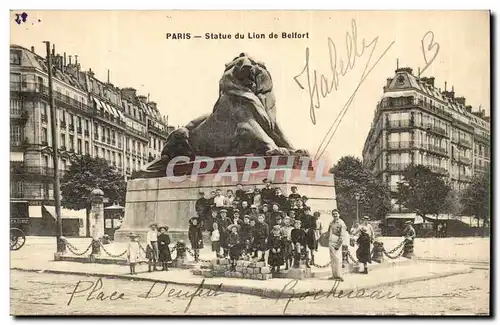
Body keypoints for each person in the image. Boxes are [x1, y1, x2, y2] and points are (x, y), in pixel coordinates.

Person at [328, 209, 347, 281]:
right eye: (333, 214)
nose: (335, 215)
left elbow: (342, 235)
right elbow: (329, 231)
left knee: (338, 259)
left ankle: (339, 276)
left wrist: (338, 245)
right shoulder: (331, 222)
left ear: (339, 214)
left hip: (336, 242)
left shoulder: (341, 223)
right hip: (331, 241)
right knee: (332, 259)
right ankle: (334, 275)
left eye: (336, 214)